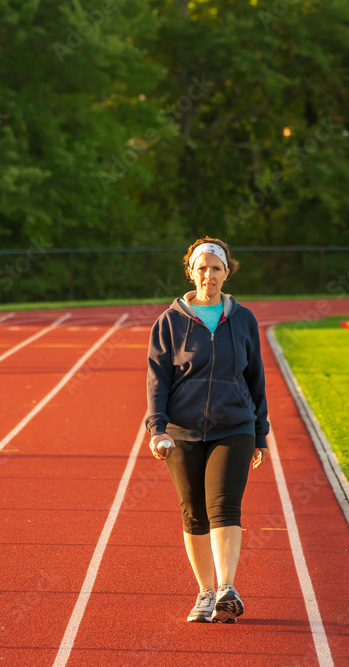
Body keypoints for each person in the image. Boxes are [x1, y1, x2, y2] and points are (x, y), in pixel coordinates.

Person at [145, 236, 270, 624]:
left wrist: (260, 434)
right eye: (202, 267)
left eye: (216, 268)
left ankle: (226, 589)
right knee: (194, 513)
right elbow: (157, 381)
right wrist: (157, 428)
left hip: (234, 427)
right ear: (190, 272)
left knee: (224, 508)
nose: (209, 275)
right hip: (181, 432)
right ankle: (204, 591)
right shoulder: (169, 322)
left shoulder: (244, 319)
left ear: (226, 272)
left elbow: (256, 380)